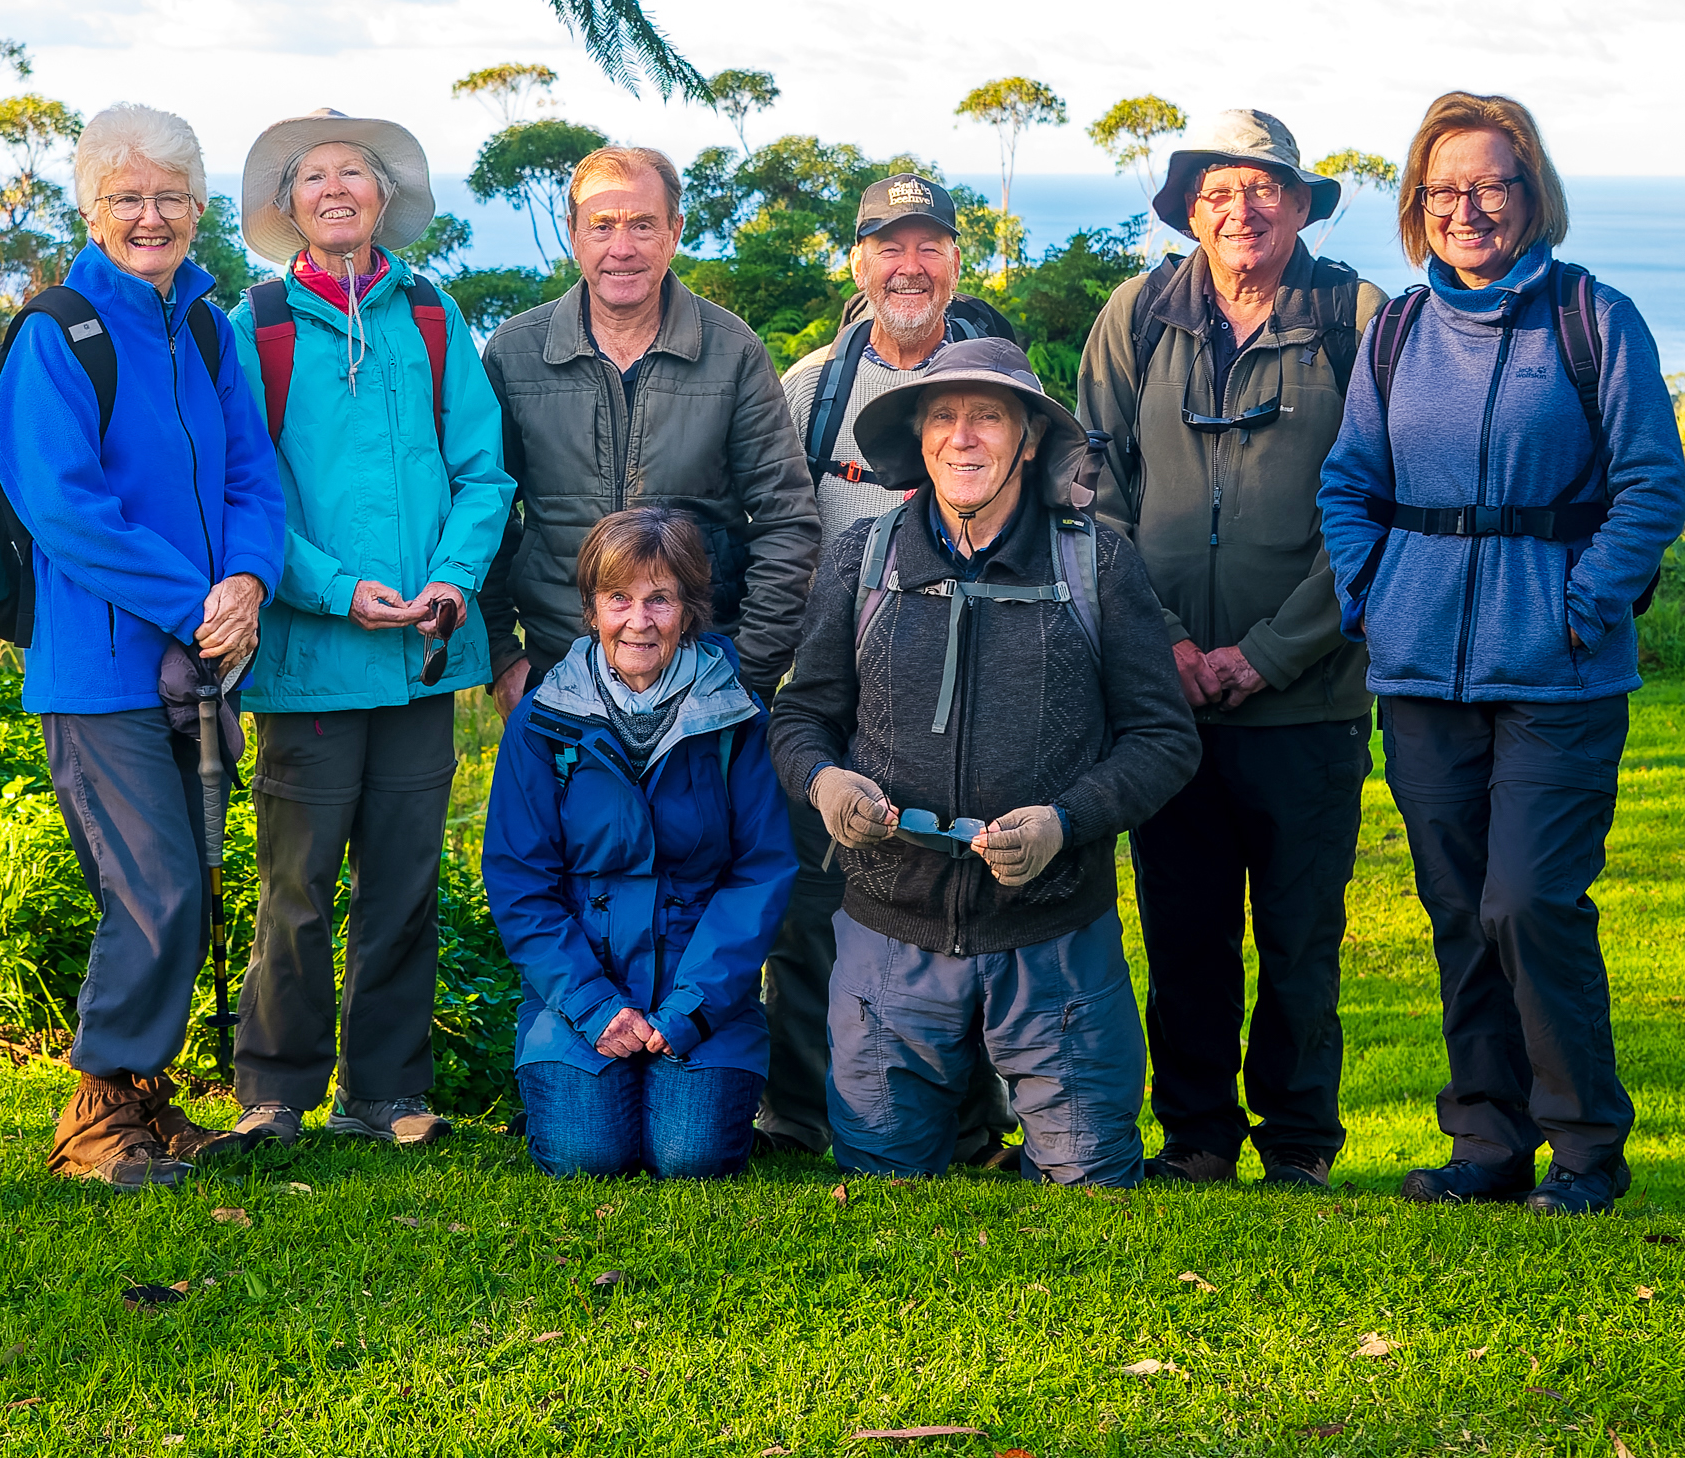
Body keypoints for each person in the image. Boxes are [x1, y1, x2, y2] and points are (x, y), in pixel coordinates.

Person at [1316, 90, 1685, 1217]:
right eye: (1442, 190)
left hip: (1560, 670)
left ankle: (1584, 1151)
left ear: (1531, 194)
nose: (1465, 208)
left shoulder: (1591, 318)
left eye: (1488, 184)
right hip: (1420, 668)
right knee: (1456, 907)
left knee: (1528, 903)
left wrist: (1582, 603)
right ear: (1414, 209)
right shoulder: (1393, 332)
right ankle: (1484, 1143)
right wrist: (1373, 596)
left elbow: (1649, 486)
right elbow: (1347, 483)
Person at [769, 337, 1199, 1182]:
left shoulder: (1093, 560)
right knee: (885, 1184)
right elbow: (800, 715)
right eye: (943, 416)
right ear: (919, 437)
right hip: (889, 937)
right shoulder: (863, 559)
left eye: (987, 417)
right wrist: (824, 783)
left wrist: (1065, 822)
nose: (962, 437)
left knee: (1093, 1183)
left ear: (1029, 439)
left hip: (1053, 941)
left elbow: (1163, 739)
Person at [1077, 109, 1385, 1194]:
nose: (1239, 208)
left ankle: (1299, 1142)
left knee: (1300, 940)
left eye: (1262, 188)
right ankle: (1196, 1136)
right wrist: (1158, 641)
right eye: (1215, 190)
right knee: (1182, 931)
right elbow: (1091, 488)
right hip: (1162, 703)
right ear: (1186, 209)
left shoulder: (1355, 317)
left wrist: (1262, 653)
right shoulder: (1135, 314)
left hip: (1307, 698)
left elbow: (1378, 511)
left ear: (1299, 205)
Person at [0, 104, 285, 1193]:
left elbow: (254, 475)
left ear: (197, 210)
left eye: (168, 197)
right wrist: (196, 603)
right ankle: (97, 1117)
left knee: (192, 879)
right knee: (152, 883)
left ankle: (146, 1111)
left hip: (200, 655)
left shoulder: (205, 328)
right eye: (126, 198)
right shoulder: (57, 334)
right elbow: (64, 509)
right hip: (100, 666)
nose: (149, 216)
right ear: (90, 208)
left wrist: (248, 583)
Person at [224, 110, 513, 1148]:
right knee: (294, 885)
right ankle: (275, 1088)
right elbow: (244, 490)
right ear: (288, 205)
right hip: (309, 659)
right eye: (314, 177)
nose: (337, 187)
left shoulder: (433, 317)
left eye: (356, 173)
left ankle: (388, 1091)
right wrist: (335, 590)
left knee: (403, 880)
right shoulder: (253, 325)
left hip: (424, 657)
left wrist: (450, 578)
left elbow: (483, 470)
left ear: (385, 198)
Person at [761, 171, 1016, 1163]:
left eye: (927, 246)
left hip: (971, 702)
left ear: (955, 259)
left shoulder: (994, 379)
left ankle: (970, 1126)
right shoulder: (810, 389)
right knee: (810, 916)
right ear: (856, 262)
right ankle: (797, 1117)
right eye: (885, 246)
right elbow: (771, 532)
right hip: (832, 702)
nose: (907, 266)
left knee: (960, 917)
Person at [483, 506, 796, 1178]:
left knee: (690, 1158)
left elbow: (759, 873)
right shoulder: (542, 721)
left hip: (701, 991)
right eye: (618, 599)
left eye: (660, 599)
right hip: (579, 991)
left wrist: (690, 1008)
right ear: (591, 609)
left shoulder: (736, 717)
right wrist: (594, 1005)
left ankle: (687, 1087)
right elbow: (519, 880)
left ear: (688, 610)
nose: (638, 621)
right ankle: (570, 1091)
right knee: (584, 1156)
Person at [480, 144, 821, 715]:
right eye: (602, 225)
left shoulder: (732, 351)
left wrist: (751, 670)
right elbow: (483, 510)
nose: (622, 247)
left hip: (704, 673)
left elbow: (787, 519)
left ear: (675, 231)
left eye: (643, 224)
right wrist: (501, 656)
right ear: (573, 233)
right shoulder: (515, 353)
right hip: (556, 670)